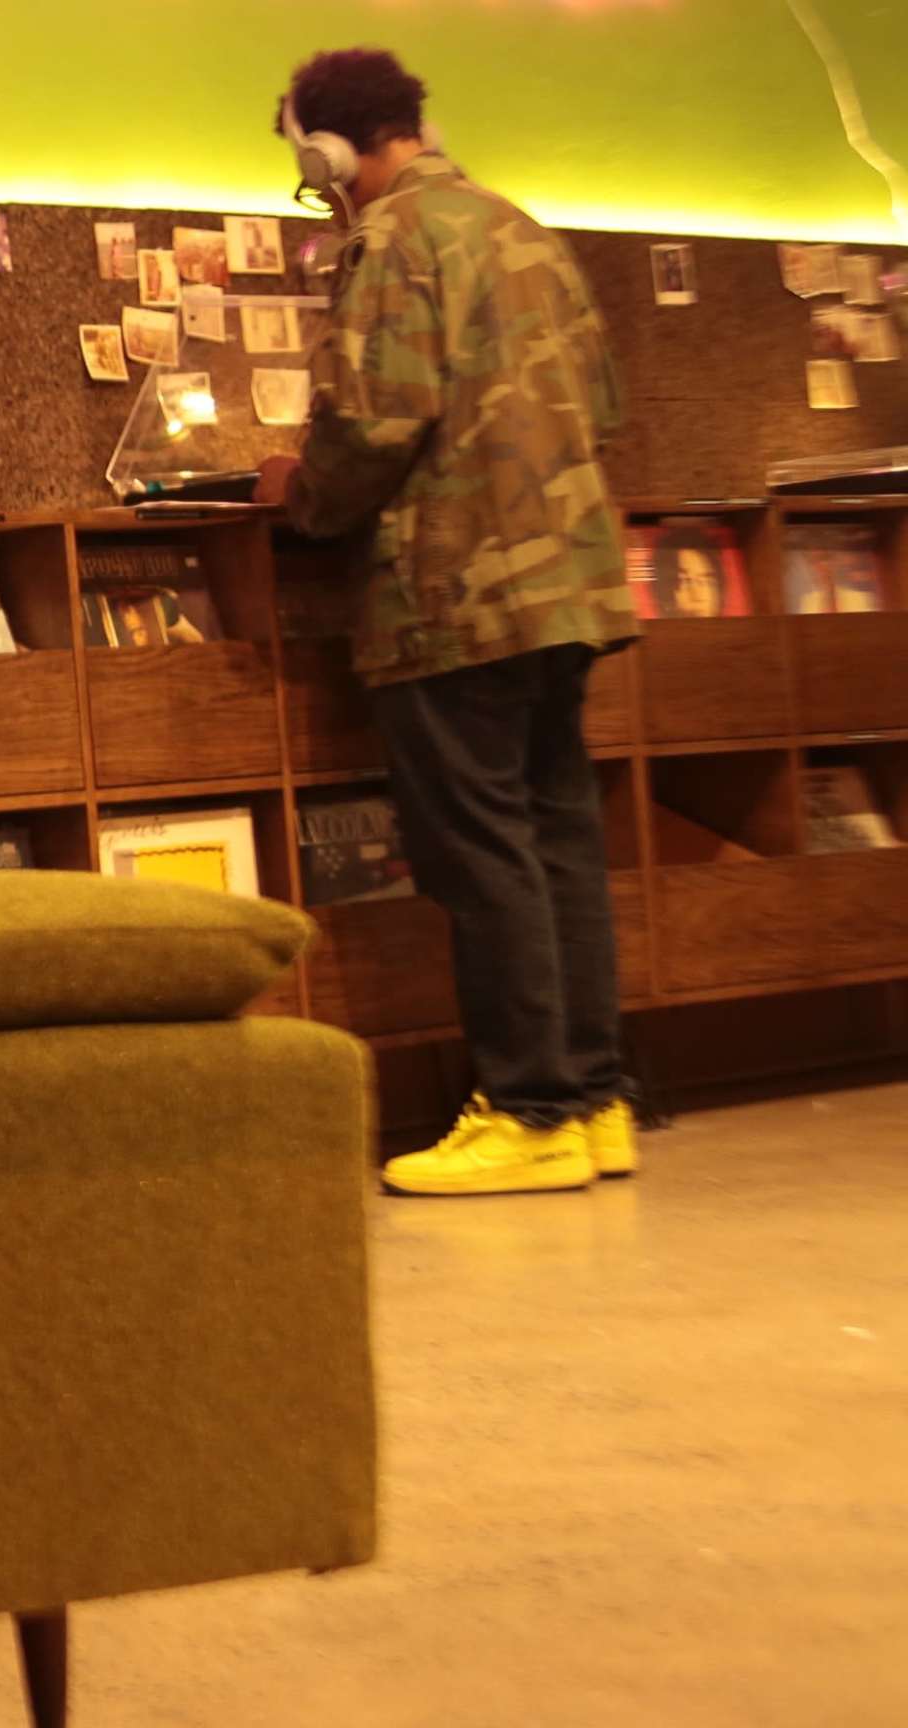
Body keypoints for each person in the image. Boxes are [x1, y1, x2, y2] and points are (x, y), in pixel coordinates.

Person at [254, 46, 640, 1198]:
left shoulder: (394, 238)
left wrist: (296, 494)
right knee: (558, 838)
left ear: (327, 149)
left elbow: (375, 420)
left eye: (307, 156)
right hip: (568, 581)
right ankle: (594, 1102)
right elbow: (608, 404)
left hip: (455, 593)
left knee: (483, 856)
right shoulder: (522, 228)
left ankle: (525, 1112)